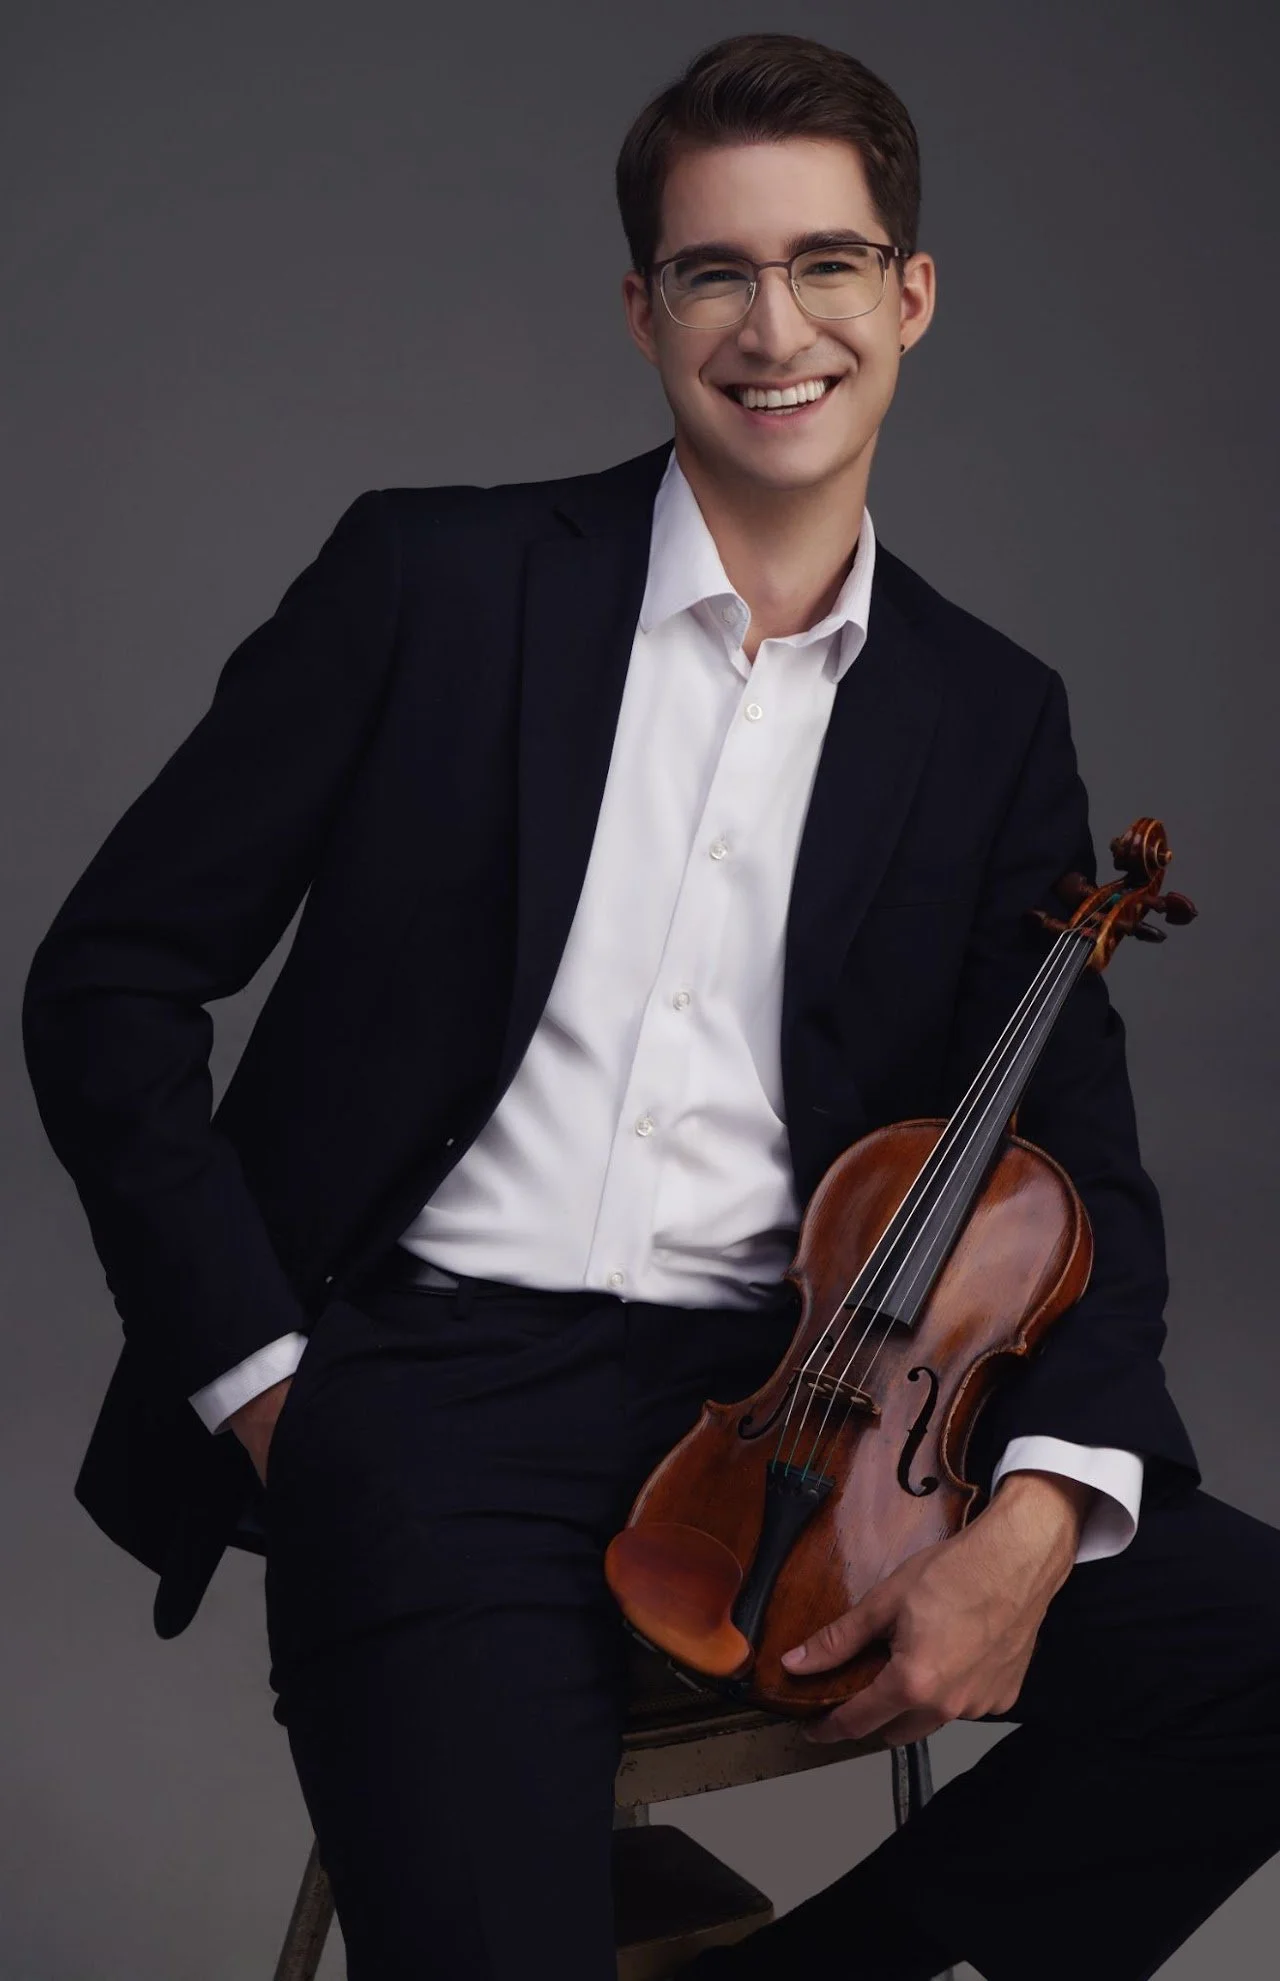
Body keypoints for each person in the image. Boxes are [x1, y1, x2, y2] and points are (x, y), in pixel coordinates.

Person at [22, 30, 1280, 1981]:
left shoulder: (982, 710)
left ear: (909, 294)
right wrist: (278, 1397)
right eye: (716, 270)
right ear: (644, 307)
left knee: (1256, 1665)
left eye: (828, 263)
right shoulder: (425, 584)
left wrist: (1035, 1519)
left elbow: (1079, 1173)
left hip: (818, 1393)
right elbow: (104, 987)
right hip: (429, 1415)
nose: (775, 326)